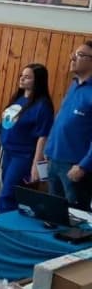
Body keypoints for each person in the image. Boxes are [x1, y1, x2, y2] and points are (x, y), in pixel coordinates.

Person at [0, 64, 54, 213]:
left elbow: (43, 136)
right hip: (8, 152)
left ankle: (3, 226)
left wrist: (36, 163)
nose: (22, 79)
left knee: (7, 194)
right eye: (21, 75)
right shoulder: (19, 99)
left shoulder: (42, 106)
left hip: (23, 156)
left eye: (27, 77)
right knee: (8, 190)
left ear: (38, 81)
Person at [45, 40, 92, 209]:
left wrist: (83, 166)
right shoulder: (74, 85)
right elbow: (61, 121)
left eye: (80, 55)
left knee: (75, 217)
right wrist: (48, 149)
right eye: (74, 53)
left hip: (75, 165)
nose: (73, 58)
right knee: (54, 212)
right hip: (54, 159)